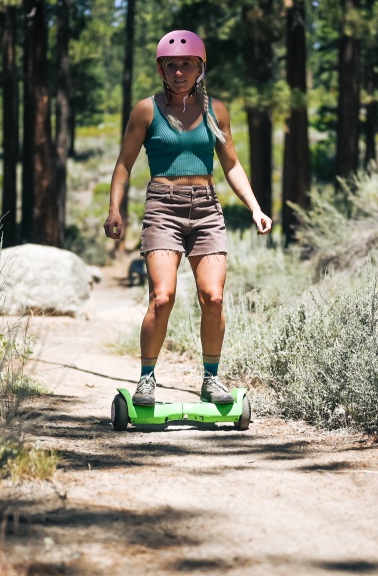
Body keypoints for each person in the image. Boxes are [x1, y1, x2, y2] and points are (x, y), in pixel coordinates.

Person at [104, 30, 272, 407]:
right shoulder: (147, 110)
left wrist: (255, 207)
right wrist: (114, 209)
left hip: (208, 208)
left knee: (212, 297)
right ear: (161, 69)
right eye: (172, 65)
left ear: (200, 68)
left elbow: (231, 165)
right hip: (163, 207)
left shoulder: (217, 111)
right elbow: (124, 164)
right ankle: (147, 379)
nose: (179, 71)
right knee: (162, 298)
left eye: (187, 64)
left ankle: (211, 379)